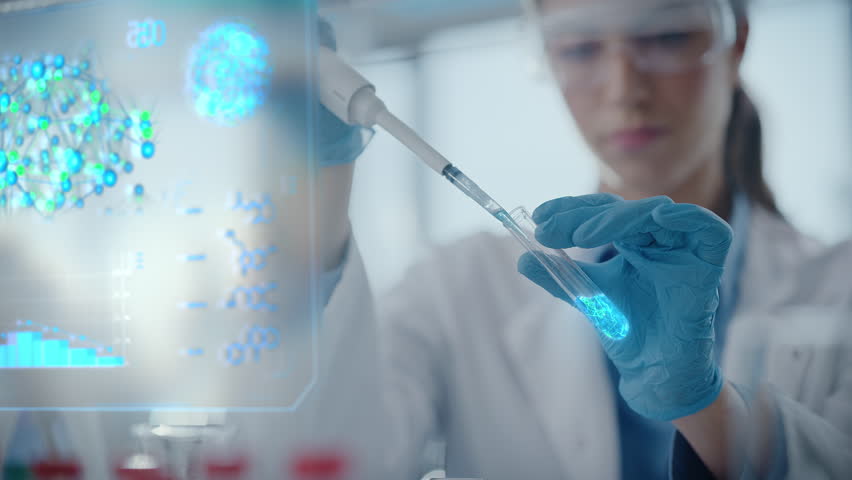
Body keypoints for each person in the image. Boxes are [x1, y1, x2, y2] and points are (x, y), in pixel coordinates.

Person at [312, 0, 852, 478]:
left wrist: (706, 406)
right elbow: (330, 457)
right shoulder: (457, 287)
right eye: (580, 47)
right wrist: (317, 193)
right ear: (547, 57)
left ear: (734, 43)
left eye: (666, 37)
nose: (624, 90)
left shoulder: (840, 287)